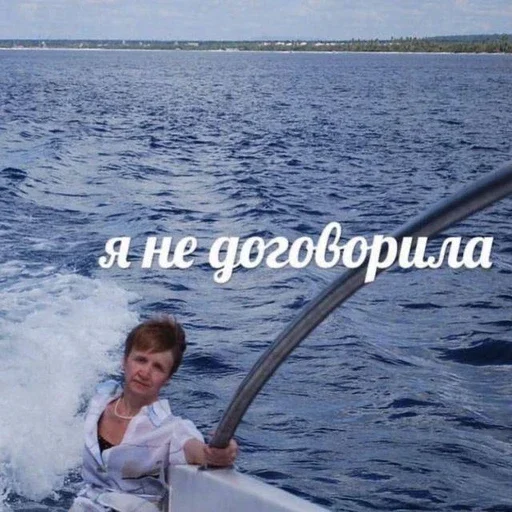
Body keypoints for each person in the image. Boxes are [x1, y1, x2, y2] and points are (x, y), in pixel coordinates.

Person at [70, 316, 238, 512]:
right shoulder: (98, 402)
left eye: (158, 367)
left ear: (168, 379)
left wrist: (218, 454)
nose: (145, 372)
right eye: (141, 360)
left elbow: (196, 450)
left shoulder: (171, 429)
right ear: (124, 361)